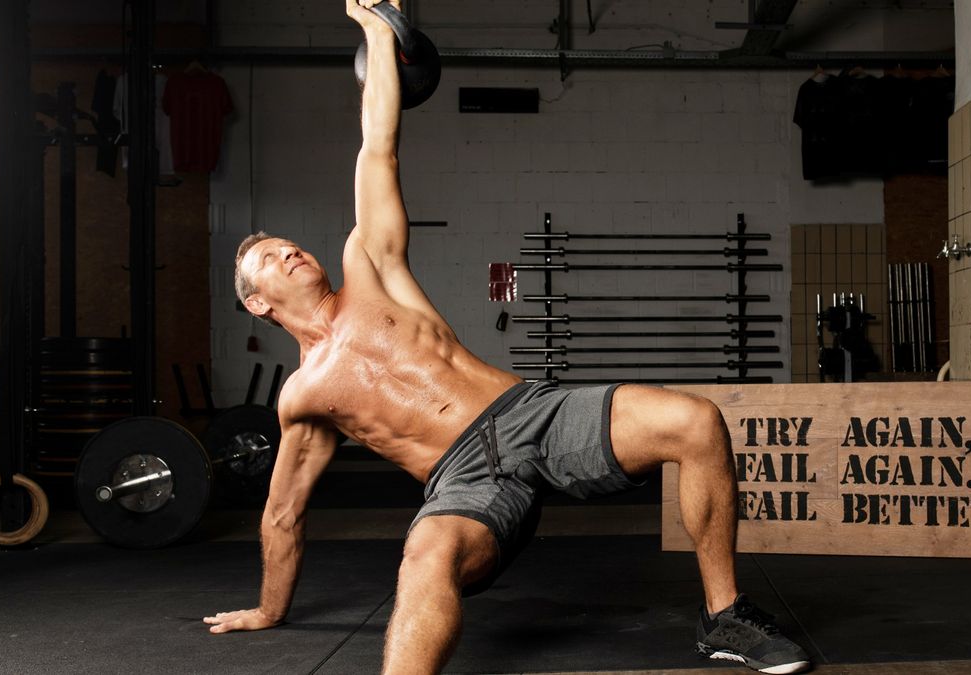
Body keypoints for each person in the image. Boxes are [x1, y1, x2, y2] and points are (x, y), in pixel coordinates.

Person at [204, 1, 812, 673]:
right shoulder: (301, 396)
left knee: (695, 421)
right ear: (258, 303)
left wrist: (376, 29)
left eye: (290, 245)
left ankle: (725, 616)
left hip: (529, 411)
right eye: (269, 259)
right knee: (425, 556)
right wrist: (269, 609)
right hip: (464, 480)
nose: (290, 252)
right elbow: (282, 513)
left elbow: (377, 146)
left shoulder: (369, 266)